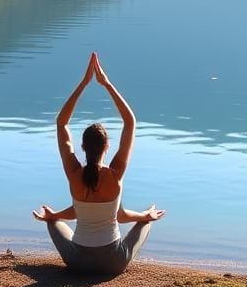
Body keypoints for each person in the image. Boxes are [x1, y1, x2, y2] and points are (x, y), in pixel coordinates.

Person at [33, 52, 165, 274]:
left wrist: (84, 83)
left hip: (77, 262)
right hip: (112, 263)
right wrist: (106, 83)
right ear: (107, 147)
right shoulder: (115, 175)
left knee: (52, 222)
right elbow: (130, 122)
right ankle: (147, 218)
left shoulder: (74, 174)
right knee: (146, 222)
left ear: (83, 147)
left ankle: (53, 218)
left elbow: (62, 123)